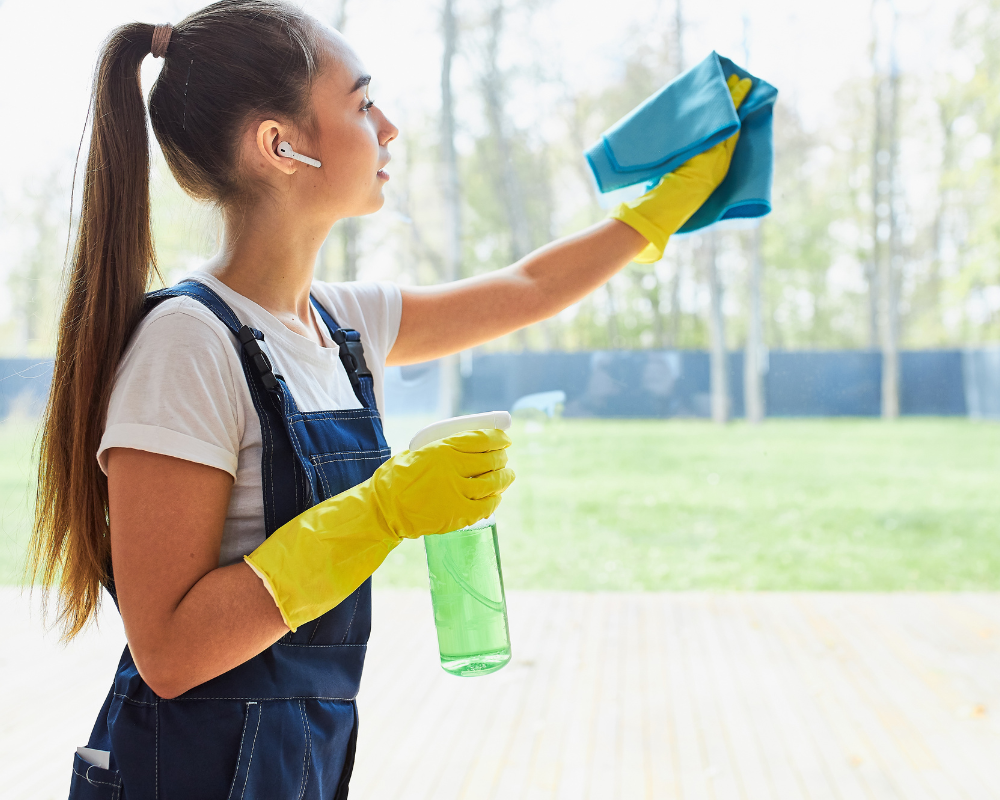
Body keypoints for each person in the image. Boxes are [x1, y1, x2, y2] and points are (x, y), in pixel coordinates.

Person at [27, 2, 749, 797]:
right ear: (281, 144)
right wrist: (382, 512)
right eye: (361, 102)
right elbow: (168, 652)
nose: (390, 126)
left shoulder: (340, 326)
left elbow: (528, 288)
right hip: (191, 767)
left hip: (306, 754)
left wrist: (656, 211)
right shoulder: (189, 346)